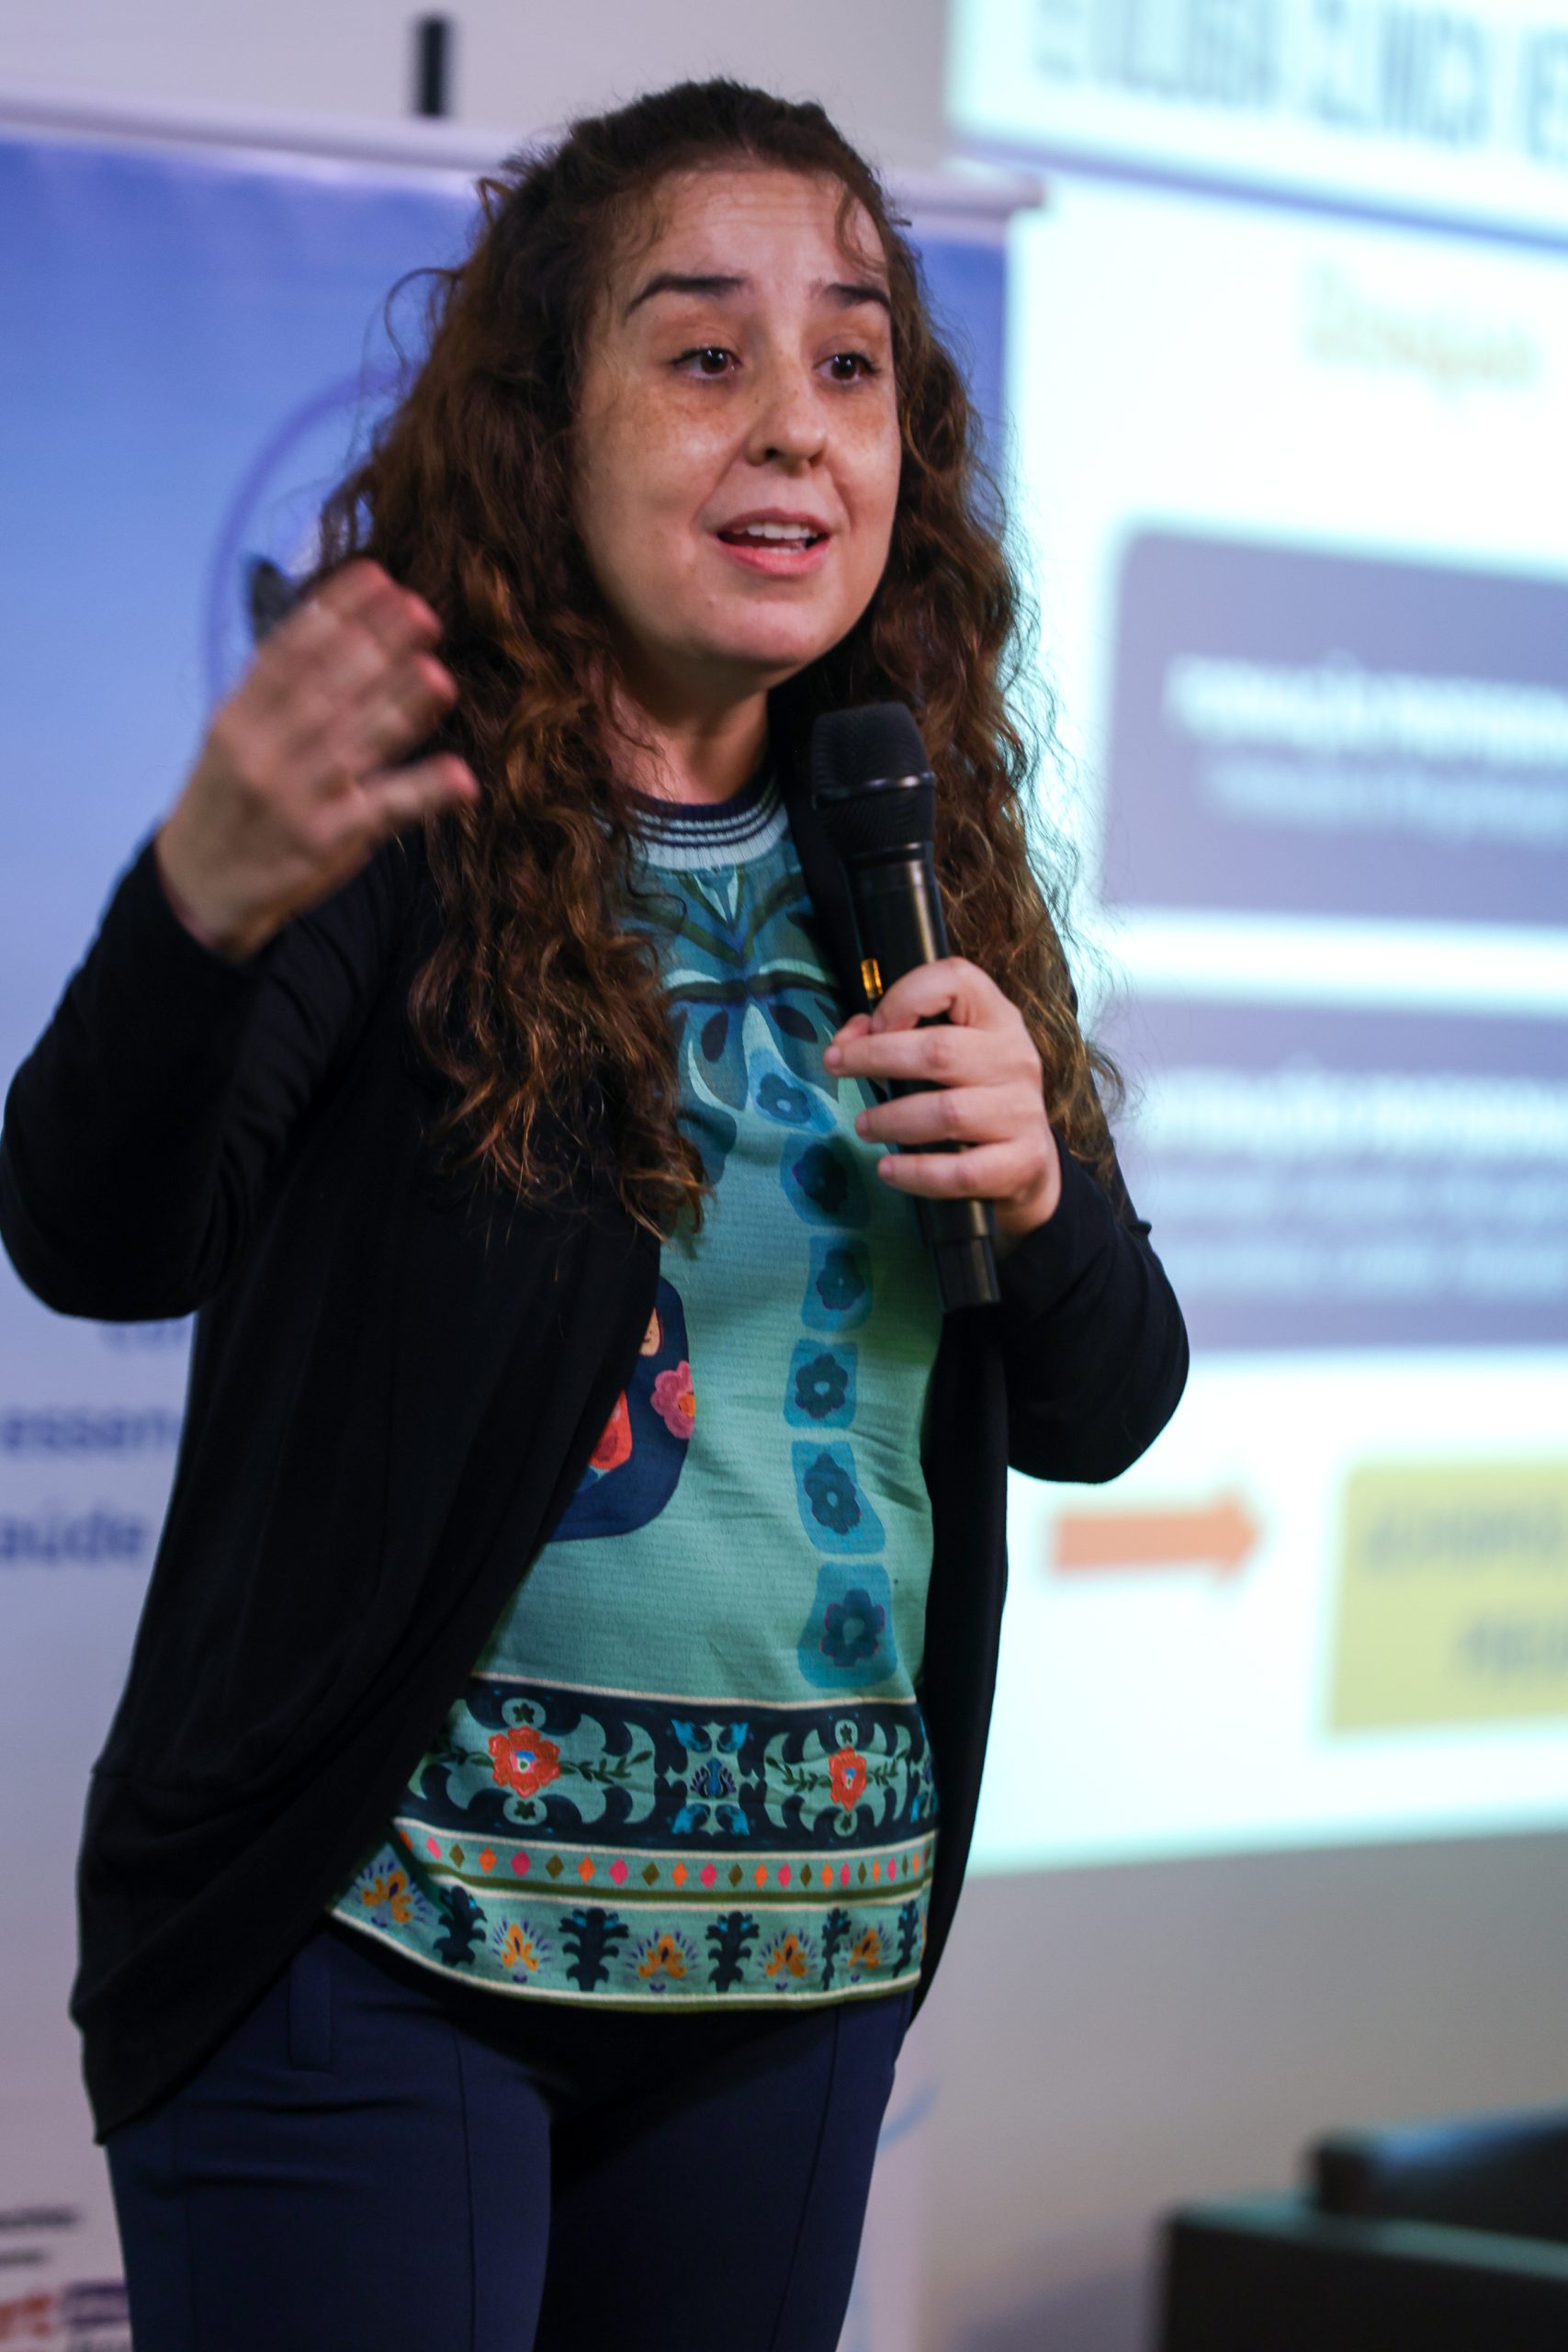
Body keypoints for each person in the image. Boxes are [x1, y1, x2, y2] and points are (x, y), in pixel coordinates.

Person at [0, 77, 1187, 2352]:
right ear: (547, 425)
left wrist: (1040, 1186)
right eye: (703, 353)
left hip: (793, 1964)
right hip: (374, 1947)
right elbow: (94, 1234)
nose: (793, 425)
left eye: (849, 363)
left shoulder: (909, 845)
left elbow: (1101, 1405)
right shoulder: (404, 820)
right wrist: (196, 910)